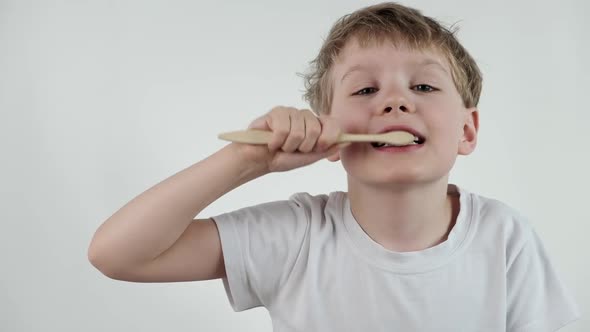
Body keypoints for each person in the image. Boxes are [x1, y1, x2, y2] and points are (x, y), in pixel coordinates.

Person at [88, 2, 580, 331]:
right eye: (365, 90)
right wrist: (247, 160)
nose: (394, 102)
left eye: (423, 87)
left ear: (467, 131)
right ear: (330, 132)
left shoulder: (504, 237)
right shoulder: (297, 235)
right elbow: (118, 254)